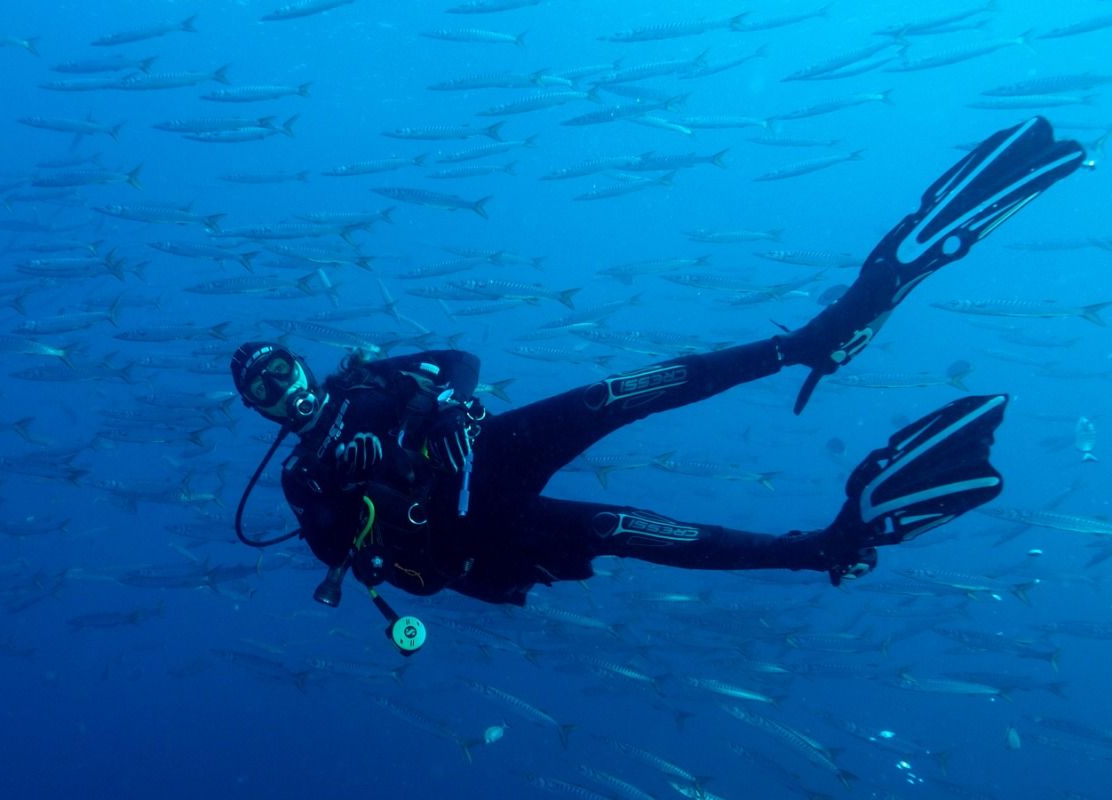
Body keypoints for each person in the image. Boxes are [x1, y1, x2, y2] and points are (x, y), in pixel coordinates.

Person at [230, 117, 1086, 634]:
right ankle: (823, 549)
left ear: (298, 361)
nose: (282, 388)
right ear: (257, 410)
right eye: (262, 389)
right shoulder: (304, 481)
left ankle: (813, 341)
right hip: (473, 531)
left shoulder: (361, 382)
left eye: (281, 368)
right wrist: (362, 496)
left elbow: (457, 360)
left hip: (491, 449)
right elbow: (387, 577)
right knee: (637, 526)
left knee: (622, 392)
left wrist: (450, 402)